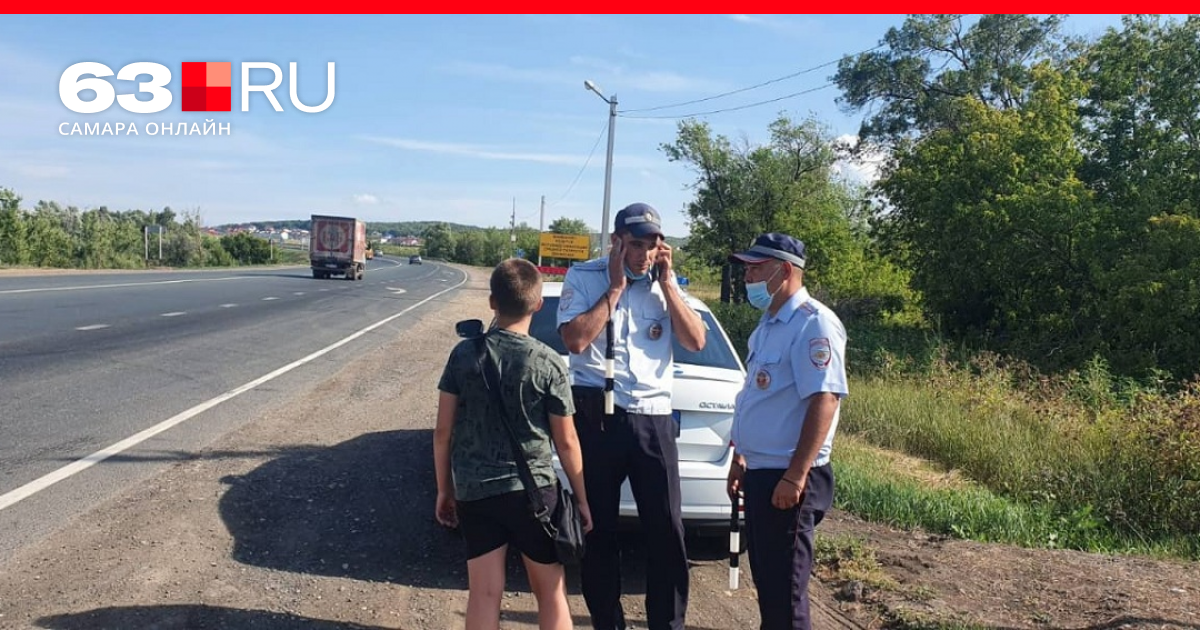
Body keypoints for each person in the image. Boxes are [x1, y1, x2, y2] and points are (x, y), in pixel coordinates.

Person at [557, 202, 707, 630]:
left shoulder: (666, 285)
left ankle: (667, 624)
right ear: (616, 242)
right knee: (598, 529)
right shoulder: (584, 276)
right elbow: (574, 340)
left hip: (652, 418)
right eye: (636, 244)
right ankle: (608, 623)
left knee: (668, 531)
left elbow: (696, 341)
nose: (644, 255)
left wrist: (670, 286)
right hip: (596, 416)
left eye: (652, 246)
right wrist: (615, 289)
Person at [434, 257, 593, 630]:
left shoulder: (463, 355)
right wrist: (582, 499)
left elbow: (443, 432)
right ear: (537, 305)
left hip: (476, 491)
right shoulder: (548, 363)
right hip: (534, 495)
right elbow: (567, 441)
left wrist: (445, 489)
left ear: (492, 302)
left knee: (484, 594)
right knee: (551, 593)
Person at [723, 233, 848, 630]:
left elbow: (825, 400)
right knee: (770, 587)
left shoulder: (813, 323)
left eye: (756, 268)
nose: (748, 277)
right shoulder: (769, 324)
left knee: (786, 594)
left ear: (786, 271)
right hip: (763, 472)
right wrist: (741, 455)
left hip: (790, 477)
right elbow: (760, 397)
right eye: (747, 268)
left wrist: (795, 475)